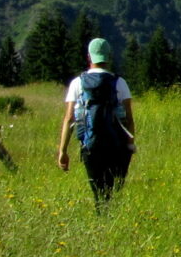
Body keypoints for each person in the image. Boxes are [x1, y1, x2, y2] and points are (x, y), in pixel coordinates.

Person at [56, 37, 135, 206]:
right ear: (108, 57)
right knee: (114, 192)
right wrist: (130, 146)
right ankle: (112, 225)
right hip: (117, 145)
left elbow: (69, 118)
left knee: (98, 192)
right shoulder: (120, 83)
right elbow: (129, 120)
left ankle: (102, 223)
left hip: (90, 145)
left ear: (89, 57)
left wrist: (63, 150)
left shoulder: (77, 83)